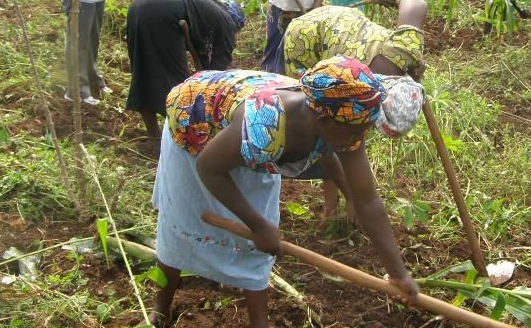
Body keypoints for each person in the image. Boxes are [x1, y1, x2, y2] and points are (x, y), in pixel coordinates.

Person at [148, 57, 419, 327]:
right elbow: (209, 167)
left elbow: (368, 201)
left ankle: (259, 322)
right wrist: (256, 225)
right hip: (196, 128)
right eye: (356, 132)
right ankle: (162, 306)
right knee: (181, 222)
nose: (358, 139)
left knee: (260, 239)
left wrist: (398, 274)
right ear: (323, 120)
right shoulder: (265, 123)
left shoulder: (347, 119)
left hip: (242, 141)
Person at [283, 0, 427, 220]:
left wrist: (415, 65)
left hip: (346, 25)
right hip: (307, 36)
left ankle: (346, 200)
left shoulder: (405, 49)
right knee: (325, 126)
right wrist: (354, 197)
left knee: (348, 136)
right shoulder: (351, 92)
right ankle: (331, 206)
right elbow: (332, 137)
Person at [125, 0, 245, 138]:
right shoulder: (227, 23)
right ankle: (180, 136)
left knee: (142, 72)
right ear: (236, 25)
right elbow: (216, 72)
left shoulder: (208, 12)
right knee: (177, 85)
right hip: (164, 14)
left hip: (138, 7)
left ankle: (154, 134)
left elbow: (205, 59)